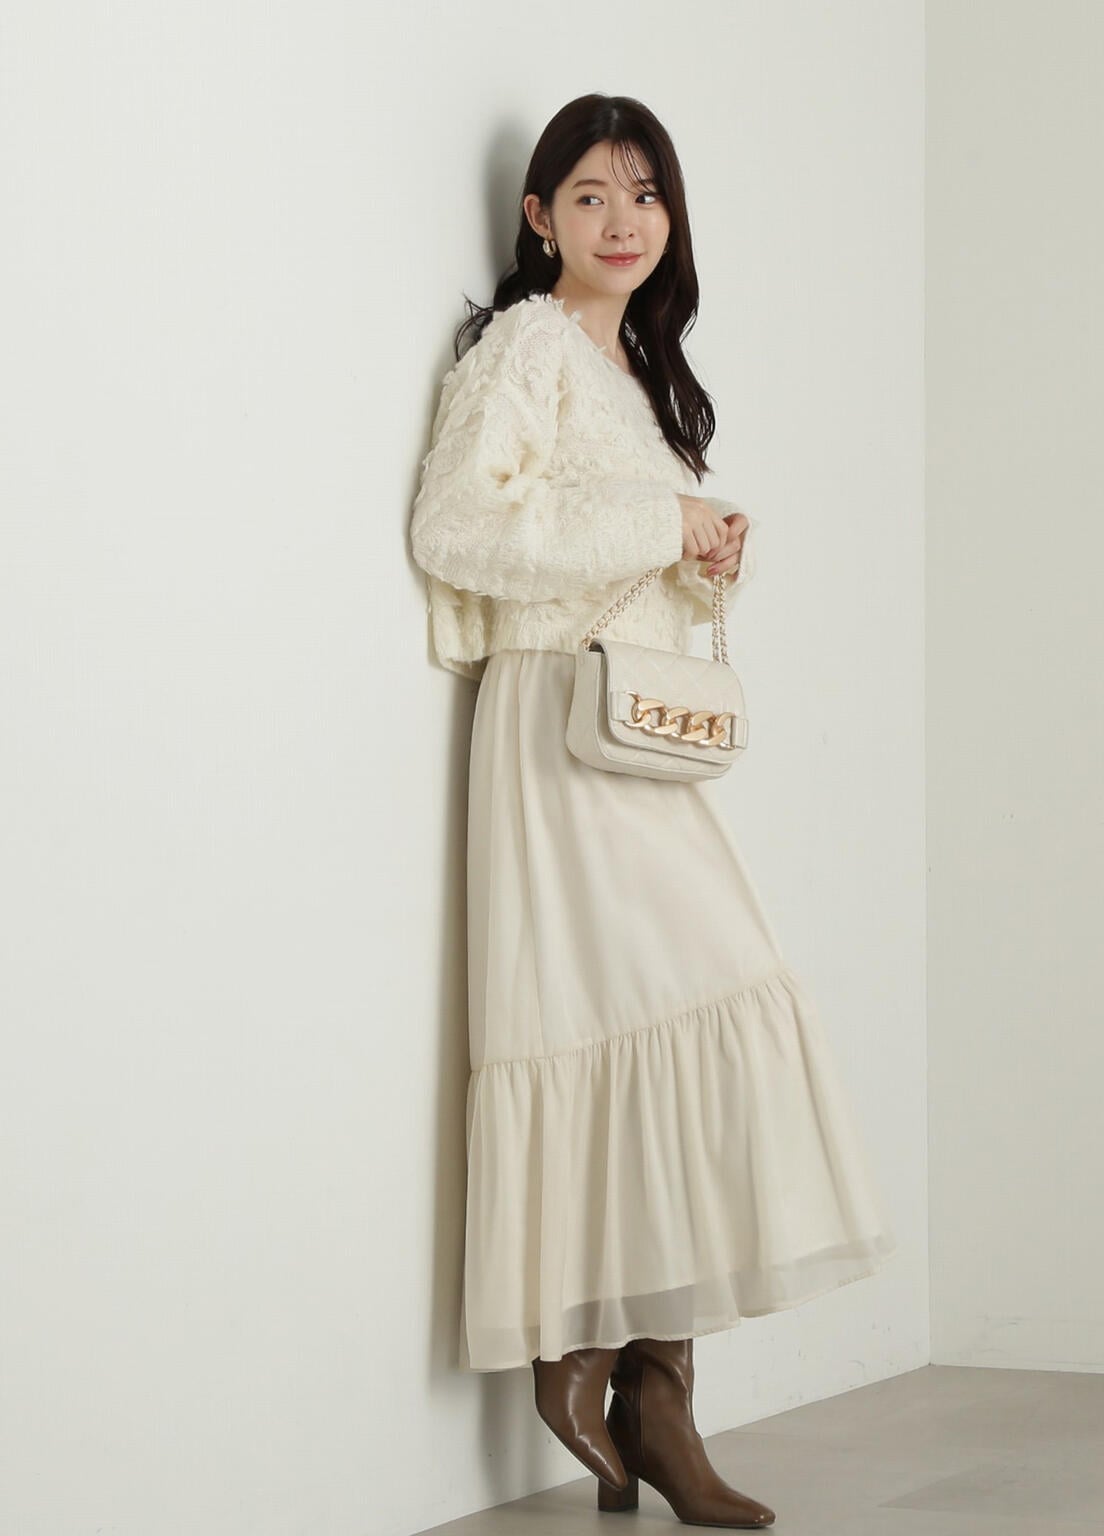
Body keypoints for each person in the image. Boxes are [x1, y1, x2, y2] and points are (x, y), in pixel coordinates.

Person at [408, 94, 897, 1528]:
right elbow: (457, 528)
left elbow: (605, 550)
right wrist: (657, 521)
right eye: (590, 194)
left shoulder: (638, 373)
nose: (621, 221)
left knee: (706, 1015)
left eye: (644, 195)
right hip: (557, 727)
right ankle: (578, 1347)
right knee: (623, 1019)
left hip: (627, 730)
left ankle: (659, 1393)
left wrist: (700, 555)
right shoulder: (527, 344)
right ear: (538, 217)